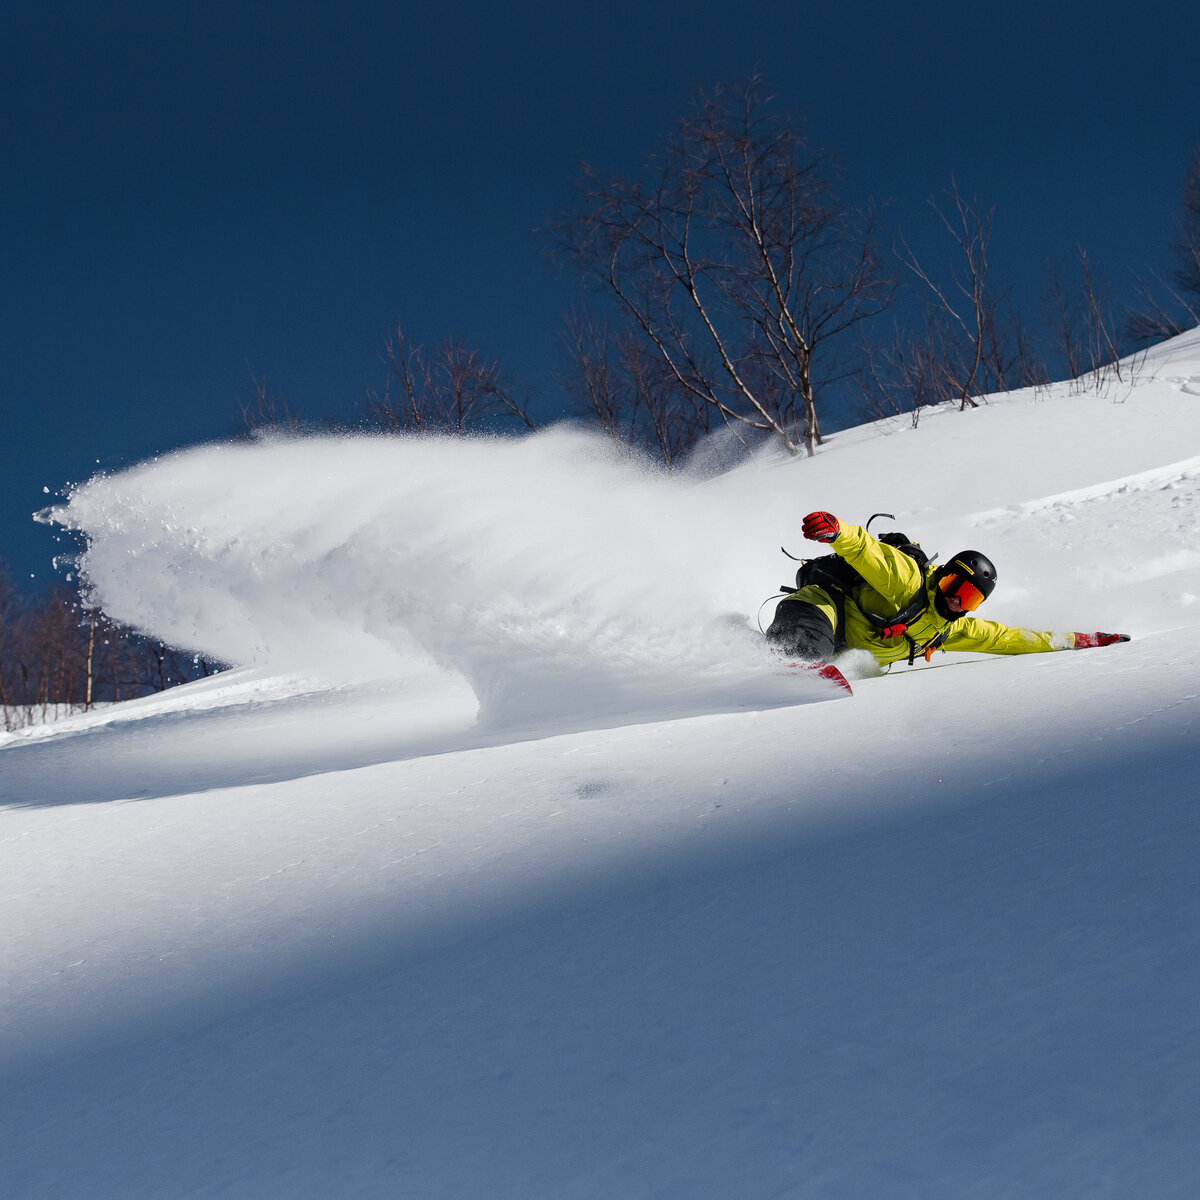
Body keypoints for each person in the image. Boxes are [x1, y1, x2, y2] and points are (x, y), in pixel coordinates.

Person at [766, 511, 1130, 667]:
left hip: (842, 647)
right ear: (946, 575)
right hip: (820, 608)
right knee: (813, 626)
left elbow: (1012, 639)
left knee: (825, 652)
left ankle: (800, 662)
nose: (957, 600)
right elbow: (866, 551)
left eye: (969, 598)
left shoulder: (948, 629)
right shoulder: (908, 580)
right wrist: (837, 531)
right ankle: (793, 661)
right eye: (957, 586)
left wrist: (1081, 639)